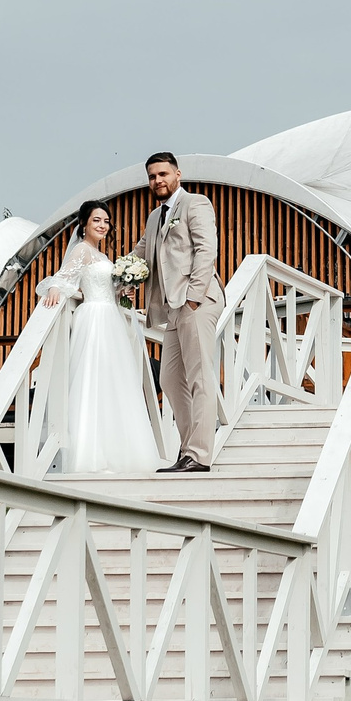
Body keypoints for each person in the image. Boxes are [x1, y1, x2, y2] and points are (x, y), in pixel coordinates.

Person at [38, 200, 167, 474]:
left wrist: (121, 292)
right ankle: (90, 456)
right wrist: (55, 289)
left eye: (106, 221)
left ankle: (117, 452)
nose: (102, 226)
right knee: (92, 382)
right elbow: (63, 278)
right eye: (97, 220)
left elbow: (105, 287)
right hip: (94, 319)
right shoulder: (82, 251)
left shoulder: (103, 256)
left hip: (111, 318)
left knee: (114, 384)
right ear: (84, 224)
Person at [134, 152, 221, 472]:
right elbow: (141, 254)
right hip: (173, 308)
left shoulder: (196, 203)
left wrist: (194, 298)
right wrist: (113, 276)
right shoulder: (155, 217)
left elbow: (206, 249)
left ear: (177, 174)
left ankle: (199, 455)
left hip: (196, 300)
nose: (157, 181)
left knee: (199, 377)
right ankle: (187, 450)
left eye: (162, 174)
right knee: (170, 379)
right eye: (152, 176)